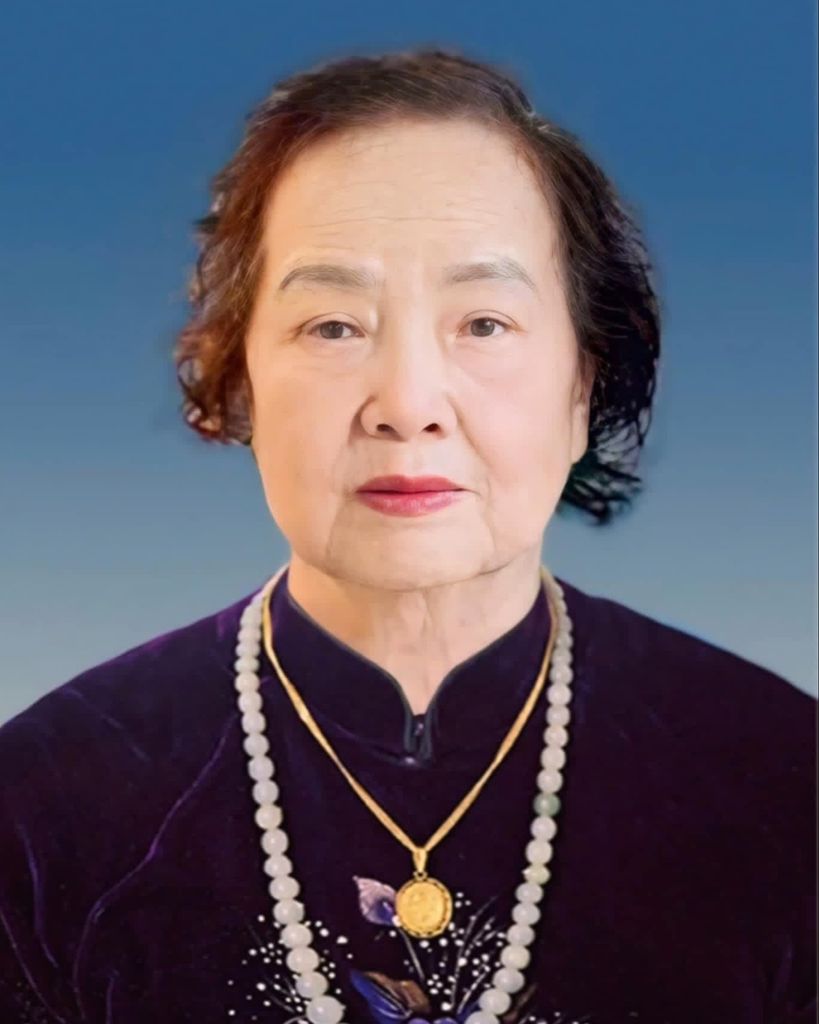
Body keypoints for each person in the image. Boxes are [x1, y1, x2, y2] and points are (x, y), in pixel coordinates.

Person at [0, 47, 814, 1024]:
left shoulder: (784, 783)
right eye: (334, 326)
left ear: (583, 388)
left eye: (483, 323)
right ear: (240, 381)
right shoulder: (42, 803)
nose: (408, 403)